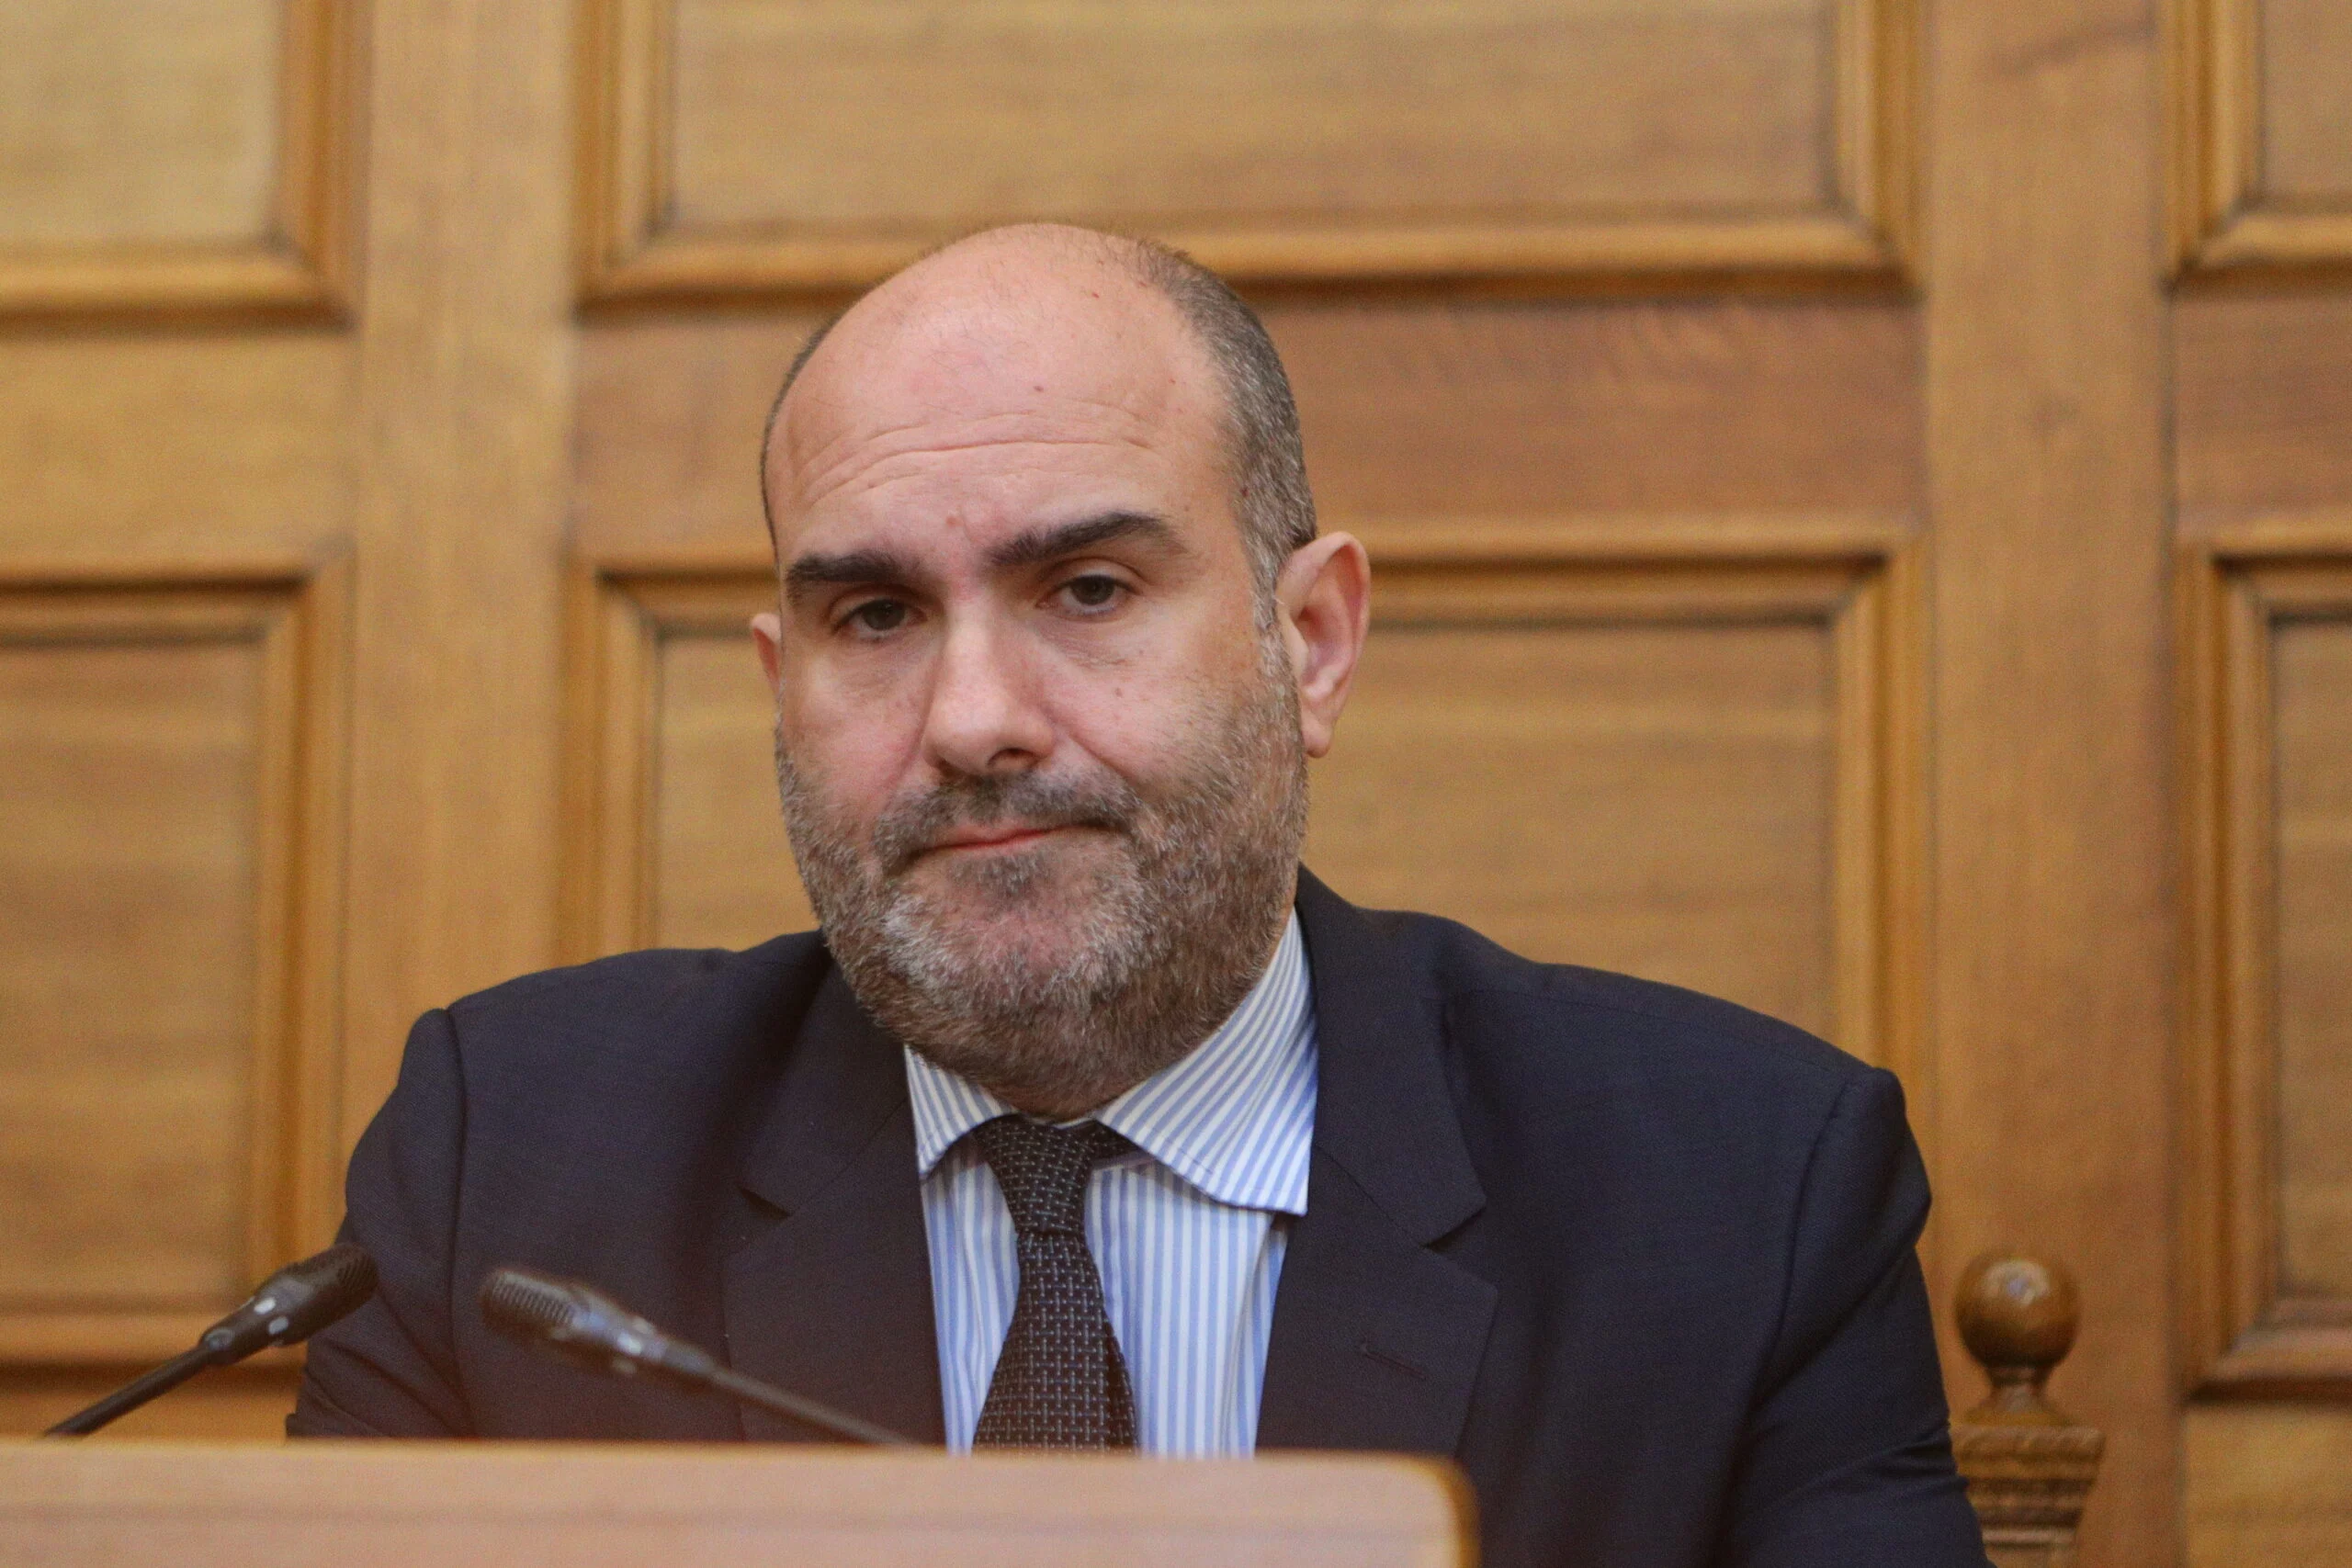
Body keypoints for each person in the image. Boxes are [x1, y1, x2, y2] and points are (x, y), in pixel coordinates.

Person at [291, 223, 1986, 1567]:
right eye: (874, 617)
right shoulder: (510, 1170)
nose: (972, 721)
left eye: (1088, 588)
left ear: (1309, 641)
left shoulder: (1740, 1194)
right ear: (779, 684)